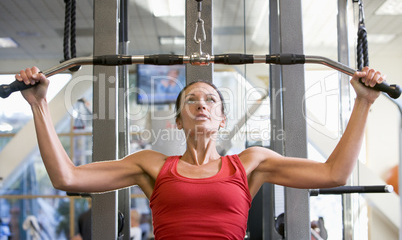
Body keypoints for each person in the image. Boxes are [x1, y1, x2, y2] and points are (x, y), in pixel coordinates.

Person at [16, 66, 385, 239]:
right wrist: (39, 105)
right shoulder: (152, 166)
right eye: (190, 100)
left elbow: (334, 173)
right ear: (178, 121)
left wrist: (364, 103)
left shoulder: (250, 163)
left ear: (222, 119)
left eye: (210, 99)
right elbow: (68, 177)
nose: (201, 104)